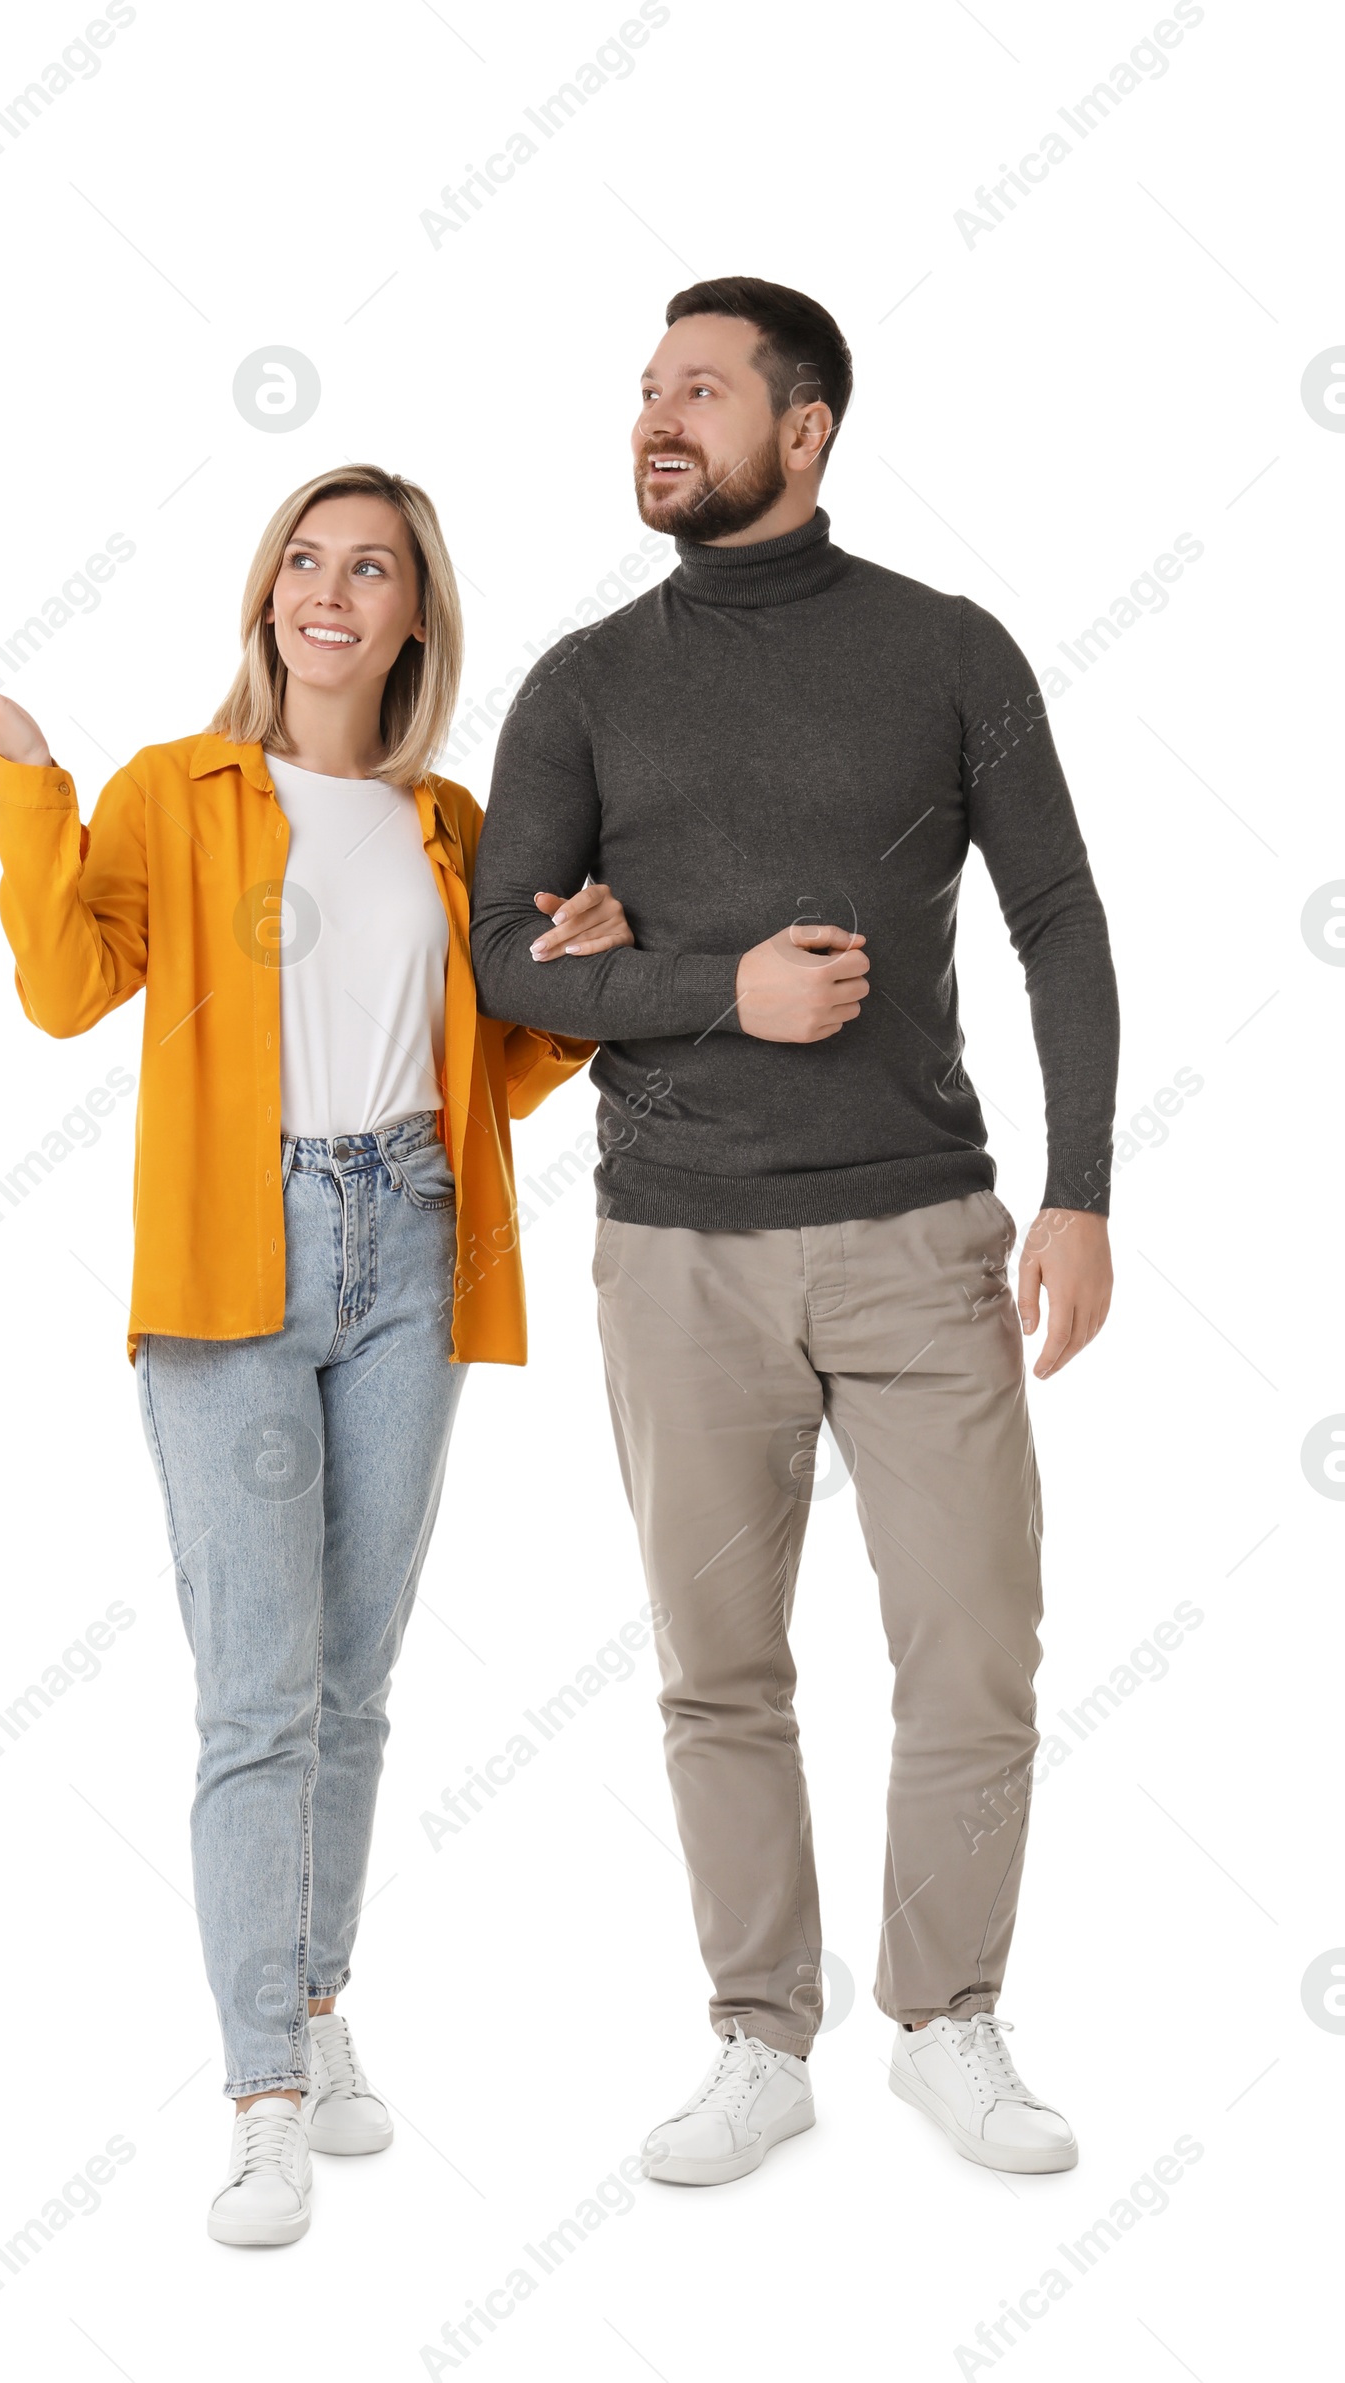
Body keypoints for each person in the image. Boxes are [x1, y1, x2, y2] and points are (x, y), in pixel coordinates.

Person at [0, 464, 632, 2245]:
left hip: (413, 1244)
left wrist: (586, 986)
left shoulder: (457, 826)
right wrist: (22, 768)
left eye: (369, 568)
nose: (330, 590)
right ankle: (263, 2096)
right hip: (237, 1262)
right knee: (258, 1691)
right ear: (269, 597)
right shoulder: (179, 791)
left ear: (411, 618)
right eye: (305, 560)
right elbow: (71, 985)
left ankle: (311, 2000)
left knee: (357, 1679)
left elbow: (496, 1073)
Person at [470, 279, 1119, 2185]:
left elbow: (1060, 917)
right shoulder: (583, 680)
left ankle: (950, 2019)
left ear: (806, 425)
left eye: (698, 389)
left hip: (927, 1233)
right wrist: (709, 993)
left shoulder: (947, 650)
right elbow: (508, 965)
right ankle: (761, 2035)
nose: (656, 416)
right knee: (717, 1665)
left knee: (978, 1645)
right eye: (645, 389)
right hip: (675, 1250)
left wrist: (1080, 1188)